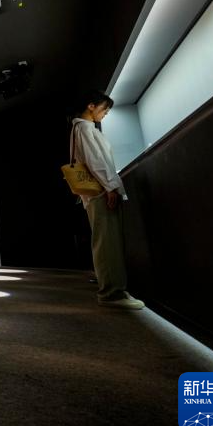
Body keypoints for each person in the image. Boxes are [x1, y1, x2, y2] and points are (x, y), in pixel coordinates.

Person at [71, 91, 144, 310]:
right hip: (100, 192)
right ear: (91, 106)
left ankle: (113, 290)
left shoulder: (82, 128)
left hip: (97, 192)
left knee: (105, 241)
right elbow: (96, 161)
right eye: (105, 109)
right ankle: (112, 293)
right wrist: (110, 186)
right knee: (107, 243)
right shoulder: (84, 128)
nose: (106, 113)